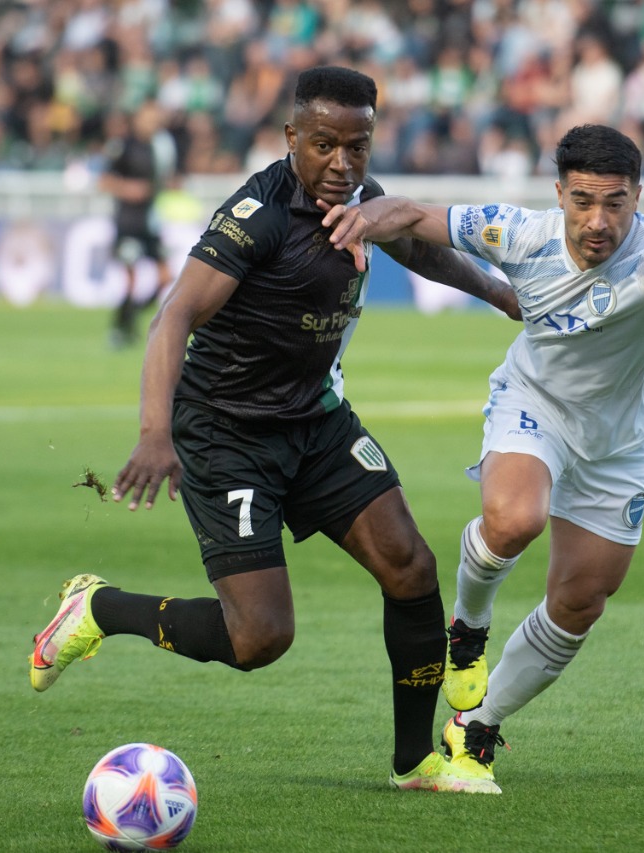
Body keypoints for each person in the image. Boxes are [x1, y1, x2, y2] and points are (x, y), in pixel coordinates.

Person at [28, 66, 519, 794]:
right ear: (293, 138)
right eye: (325, 145)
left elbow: (420, 249)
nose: (342, 164)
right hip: (228, 434)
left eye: (358, 146)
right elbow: (173, 317)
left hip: (315, 422)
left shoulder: (362, 198)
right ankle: (99, 607)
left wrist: (501, 292)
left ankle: (417, 762)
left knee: (411, 567)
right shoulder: (257, 215)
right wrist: (153, 431)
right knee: (261, 638)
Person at [323, 123, 644, 790]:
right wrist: (365, 216)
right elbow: (417, 215)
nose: (599, 220)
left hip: (618, 443)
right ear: (559, 193)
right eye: (583, 201)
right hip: (532, 406)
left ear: (638, 196)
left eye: (615, 203)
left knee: (581, 599)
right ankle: (469, 626)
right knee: (514, 520)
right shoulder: (519, 232)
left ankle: (474, 726)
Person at [100, 100, 178, 347]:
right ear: (137, 119)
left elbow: (162, 180)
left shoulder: (159, 147)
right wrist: (127, 188)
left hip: (150, 221)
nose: (153, 121)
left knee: (166, 276)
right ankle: (119, 329)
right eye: (149, 117)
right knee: (131, 278)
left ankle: (131, 319)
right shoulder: (122, 146)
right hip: (128, 221)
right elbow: (104, 180)